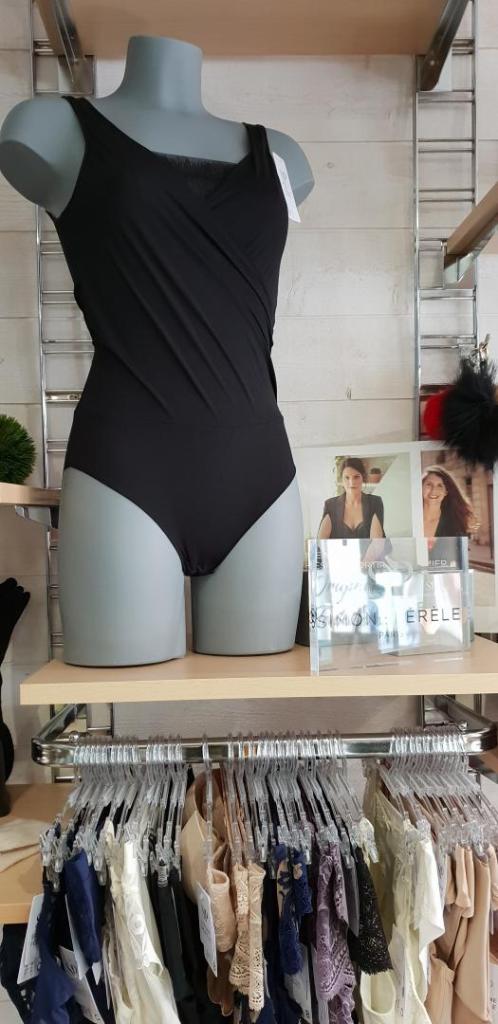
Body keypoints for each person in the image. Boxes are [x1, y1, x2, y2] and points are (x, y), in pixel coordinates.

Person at [318, 458, 385, 539]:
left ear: (363, 478)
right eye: (347, 477)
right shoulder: (330, 505)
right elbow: (321, 543)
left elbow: (376, 543)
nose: (352, 482)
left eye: (356, 477)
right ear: (342, 480)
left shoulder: (375, 502)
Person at [422, 465, 477, 538]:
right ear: (421, 487)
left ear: (446, 492)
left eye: (440, 486)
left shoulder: (456, 525)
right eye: (429, 484)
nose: (434, 490)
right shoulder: (410, 520)